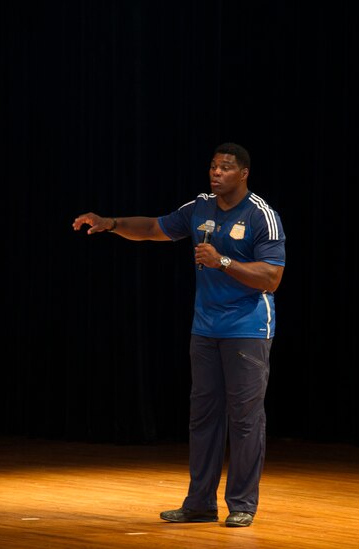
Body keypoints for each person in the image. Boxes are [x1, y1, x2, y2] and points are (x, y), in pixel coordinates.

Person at [72, 143, 285, 528]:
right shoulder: (199, 207)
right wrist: (112, 223)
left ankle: (242, 504)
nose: (215, 173)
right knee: (203, 417)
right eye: (212, 166)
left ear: (243, 174)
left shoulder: (261, 215)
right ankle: (199, 503)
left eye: (225, 168)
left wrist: (222, 261)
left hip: (248, 330)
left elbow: (272, 278)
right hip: (204, 329)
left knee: (245, 419)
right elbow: (155, 228)